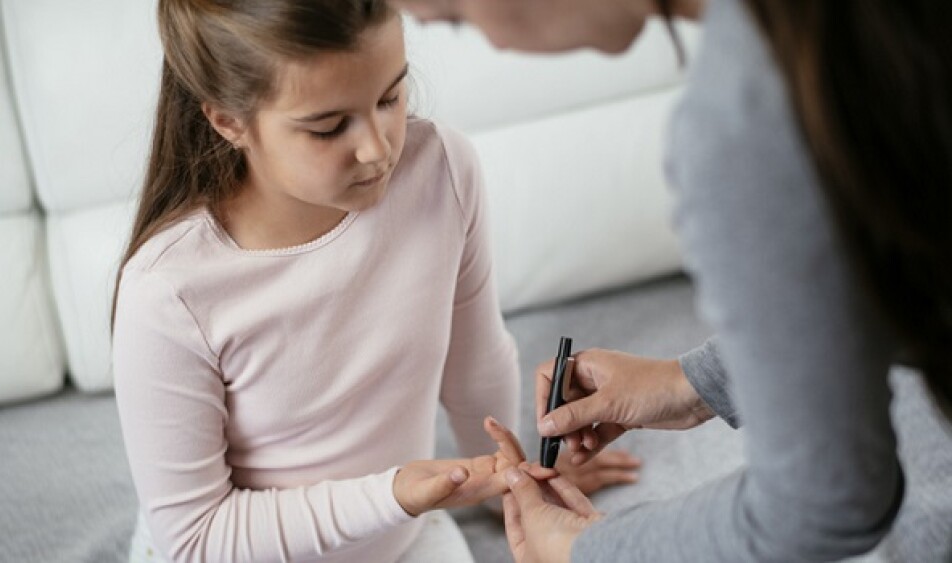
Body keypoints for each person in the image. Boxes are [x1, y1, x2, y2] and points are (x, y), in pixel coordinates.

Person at [390, 0, 952, 561]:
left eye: (459, 19)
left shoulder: (743, 120)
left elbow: (826, 501)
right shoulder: (827, 46)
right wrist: (693, 384)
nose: (496, 47)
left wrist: (590, 551)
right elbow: (885, 278)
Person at [110, 1, 643, 562]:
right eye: (329, 127)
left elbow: (476, 359)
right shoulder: (167, 292)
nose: (379, 149)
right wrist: (393, 494)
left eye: (390, 96)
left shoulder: (442, 170)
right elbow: (196, 538)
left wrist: (512, 482)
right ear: (228, 121)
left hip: (405, 536)